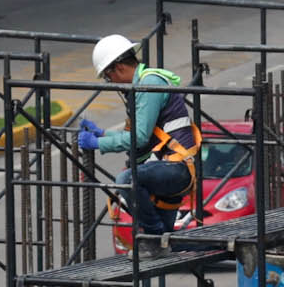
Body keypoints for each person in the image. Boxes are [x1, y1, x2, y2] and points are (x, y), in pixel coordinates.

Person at [82, 32, 202, 237]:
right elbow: (139, 133)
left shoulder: (149, 85)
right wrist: (103, 134)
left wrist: (99, 143)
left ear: (118, 68)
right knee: (166, 246)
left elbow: (139, 138)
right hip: (167, 166)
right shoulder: (142, 86)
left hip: (176, 169)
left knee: (126, 180)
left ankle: (152, 235)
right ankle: (158, 240)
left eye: (107, 76)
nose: (109, 82)